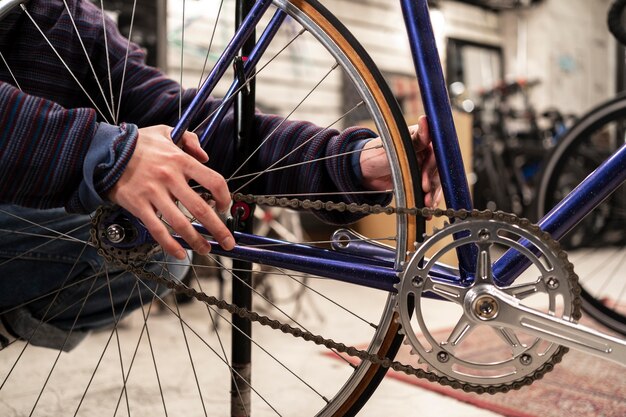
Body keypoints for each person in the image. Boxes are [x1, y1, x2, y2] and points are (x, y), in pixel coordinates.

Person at [0, 0, 440, 350]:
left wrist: (351, 162)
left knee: (150, 241)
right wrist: (101, 152)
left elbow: (187, 124)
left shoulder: (60, 18)